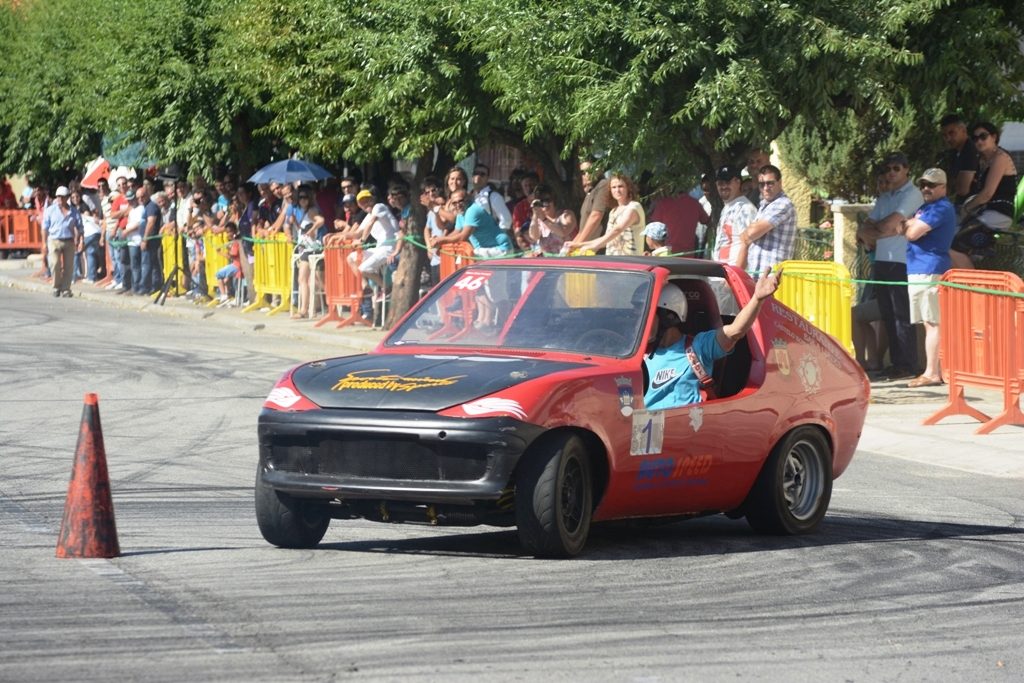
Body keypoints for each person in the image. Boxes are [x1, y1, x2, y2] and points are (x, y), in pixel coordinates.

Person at [644, 267, 782, 410]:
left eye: (649, 315)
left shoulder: (697, 348)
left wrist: (757, 299)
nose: (641, 322)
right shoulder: (639, 354)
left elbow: (735, 331)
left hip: (687, 425)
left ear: (669, 316)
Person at [857, 152, 923, 380]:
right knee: (888, 315)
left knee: (901, 315)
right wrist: (878, 231)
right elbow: (865, 227)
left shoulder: (912, 194)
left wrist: (876, 232)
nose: (891, 173)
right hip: (883, 260)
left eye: (896, 168)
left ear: (906, 169)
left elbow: (888, 225)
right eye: (888, 169)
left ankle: (908, 364)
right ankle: (897, 363)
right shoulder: (886, 196)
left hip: (901, 261)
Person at [901, 168, 956, 388]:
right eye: (923, 184)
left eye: (932, 185)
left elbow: (911, 232)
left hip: (930, 270)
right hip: (918, 269)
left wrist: (909, 225)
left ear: (943, 187)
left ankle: (933, 372)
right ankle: (932, 370)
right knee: (928, 323)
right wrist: (908, 225)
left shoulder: (941, 208)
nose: (926, 189)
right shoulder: (927, 207)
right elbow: (904, 227)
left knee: (934, 322)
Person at [950, 121, 1019, 269]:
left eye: (983, 136)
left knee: (955, 243)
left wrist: (966, 209)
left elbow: (987, 194)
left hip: (998, 214)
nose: (979, 141)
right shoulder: (983, 160)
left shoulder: (1000, 158)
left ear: (994, 137)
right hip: (985, 213)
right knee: (950, 237)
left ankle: (972, 287)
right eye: (975, 138)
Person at [564, 172, 644, 255]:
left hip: (631, 263)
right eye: (613, 187)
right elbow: (607, 239)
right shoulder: (613, 212)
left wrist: (581, 244)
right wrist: (579, 246)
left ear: (628, 188)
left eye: (620, 186)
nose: (617, 190)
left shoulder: (634, 207)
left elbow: (617, 230)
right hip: (612, 262)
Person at [739, 164, 797, 272]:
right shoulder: (765, 205)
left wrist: (750, 231)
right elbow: (746, 237)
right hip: (759, 275)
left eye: (770, 183)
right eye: (762, 184)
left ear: (780, 183)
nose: (765, 188)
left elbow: (750, 234)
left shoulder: (783, 204)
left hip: (772, 278)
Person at [711, 165, 757, 268]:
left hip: (733, 276)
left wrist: (737, 276)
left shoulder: (745, 208)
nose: (723, 187)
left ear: (738, 182)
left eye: (727, 182)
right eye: (720, 183)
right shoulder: (728, 207)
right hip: (722, 274)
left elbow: (747, 244)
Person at [41, 186, 82, 297]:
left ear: (67, 197)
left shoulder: (73, 211)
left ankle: (66, 289)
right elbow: (44, 227)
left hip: (69, 240)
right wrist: (44, 243)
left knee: (69, 266)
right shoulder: (50, 211)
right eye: (58, 196)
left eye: (62, 197)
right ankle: (56, 286)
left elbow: (79, 226)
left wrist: (80, 239)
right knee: (55, 264)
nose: (59, 199)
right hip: (54, 239)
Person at [648, 188, 710, 257]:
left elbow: (653, 228)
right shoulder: (695, 203)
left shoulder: (663, 203)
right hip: (688, 254)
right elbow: (706, 220)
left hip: (667, 253)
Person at [938, 114, 979, 205]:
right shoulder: (954, 152)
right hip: (961, 205)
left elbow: (962, 189)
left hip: (974, 207)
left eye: (952, 133)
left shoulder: (970, 150)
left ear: (963, 130)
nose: (948, 138)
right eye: (944, 135)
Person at [527, 183, 576, 255]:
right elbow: (534, 236)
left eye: (547, 200)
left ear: (554, 200)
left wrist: (544, 220)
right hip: (548, 262)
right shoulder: (539, 221)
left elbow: (563, 232)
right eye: (541, 201)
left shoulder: (566, 215)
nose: (544, 204)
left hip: (568, 259)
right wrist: (535, 214)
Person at [574, 160, 611, 247]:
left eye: (590, 170)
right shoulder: (590, 191)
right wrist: (569, 248)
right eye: (582, 172)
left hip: (599, 249)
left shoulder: (603, 185)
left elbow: (596, 216)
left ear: (599, 170)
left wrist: (578, 244)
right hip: (587, 248)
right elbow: (582, 230)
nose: (586, 174)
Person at [471, 163, 513, 235]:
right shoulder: (469, 196)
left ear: (487, 178)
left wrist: (497, 236)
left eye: (482, 174)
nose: (478, 176)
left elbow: (506, 220)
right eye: (476, 173)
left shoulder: (493, 196)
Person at [214, 222, 243, 306]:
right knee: (226, 279)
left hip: (237, 265)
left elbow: (232, 256)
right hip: (236, 265)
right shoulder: (233, 241)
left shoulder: (236, 241)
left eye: (230, 232)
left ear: (234, 231)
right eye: (227, 232)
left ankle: (224, 296)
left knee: (218, 275)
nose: (228, 234)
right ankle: (228, 295)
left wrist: (220, 253)